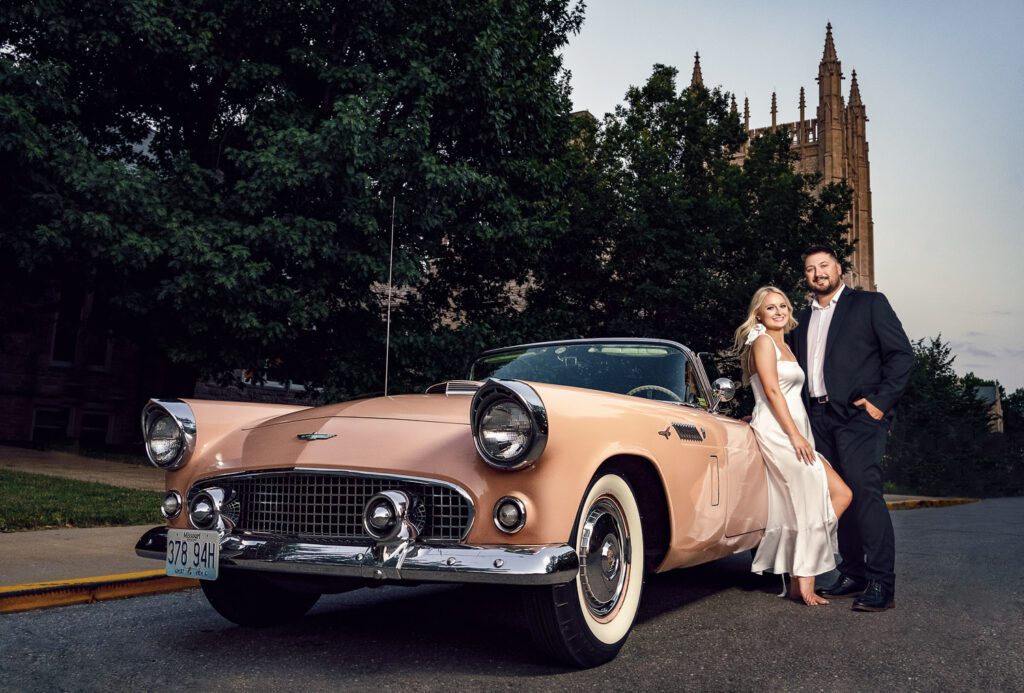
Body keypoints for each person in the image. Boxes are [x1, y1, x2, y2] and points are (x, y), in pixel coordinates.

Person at [790, 245, 913, 612]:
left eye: (824, 265)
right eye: (810, 268)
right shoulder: (800, 318)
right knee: (839, 493)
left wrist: (879, 404)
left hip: (859, 417)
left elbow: (901, 356)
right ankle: (854, 572)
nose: (818, 273)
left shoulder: (869, 304)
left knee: (865, 493)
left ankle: (881, 583)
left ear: (839, 269)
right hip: (818, 418)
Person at [734, 286, 853, 605]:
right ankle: (804, 580)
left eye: (783, 306)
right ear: (758, 313)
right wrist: (794, 435)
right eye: (770, 307)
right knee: (810, 499)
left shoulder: (784, 346)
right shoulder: (761, 342)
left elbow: (778, 391)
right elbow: (772, 392)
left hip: (796, 429)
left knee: (839, 494)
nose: (778, 311)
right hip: (782, 432)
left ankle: (800, 566)